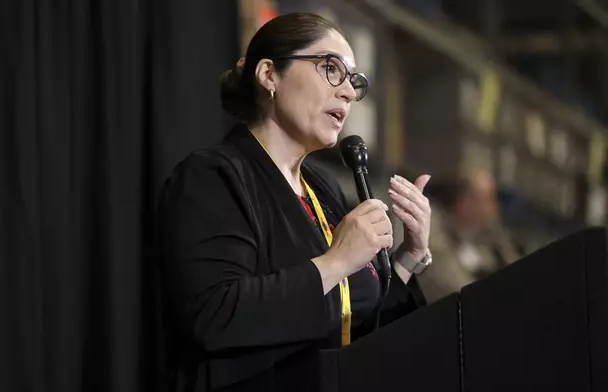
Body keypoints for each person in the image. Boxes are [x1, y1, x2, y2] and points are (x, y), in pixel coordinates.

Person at [155, 12, 434, 392]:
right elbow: (217, 316)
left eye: (353, 81)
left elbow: (357, 325)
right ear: (270, 74)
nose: (349, 92)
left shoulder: (324, 190)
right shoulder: (212, 177)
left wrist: (409, 255)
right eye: (330, 68)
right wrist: (335, 262)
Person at [418, 168, 519, 303]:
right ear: (463, 204)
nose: (494, 209)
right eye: (488, 200)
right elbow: (463, 294)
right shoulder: (432, 237)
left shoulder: (489, 243)